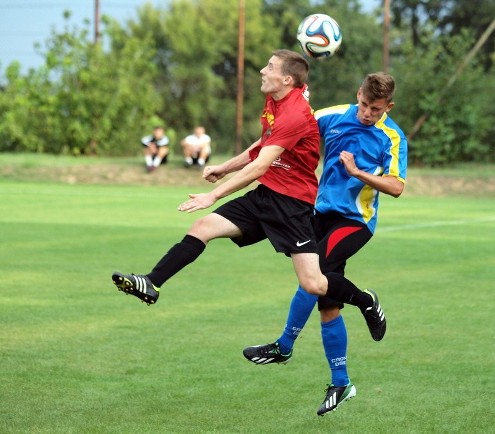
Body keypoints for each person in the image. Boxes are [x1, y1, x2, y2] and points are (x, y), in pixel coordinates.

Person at [110, 50, 386, 413]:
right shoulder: (273, 103)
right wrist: (224, 167)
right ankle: (152, 283)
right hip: (264, 198)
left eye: (270, 67)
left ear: (287, 79)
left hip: (292, 207)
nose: (262, 70)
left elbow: (260, 165)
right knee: (203, 227)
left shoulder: (296, 115)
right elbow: (260, 147)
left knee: (315, 285)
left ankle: (365, 301)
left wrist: (214, 193)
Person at [242, 72, 408, 416]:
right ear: (357, 93)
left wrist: (358, 173)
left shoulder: (391, 136)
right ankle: (341, 381)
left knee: (313, 276)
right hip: (317, 213)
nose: (367, 113)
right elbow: (292, 132)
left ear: (388, 107)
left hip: (355, 221)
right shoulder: (329, 116)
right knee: (326, 300)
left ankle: (284, 345)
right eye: (363, 104)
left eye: (376, 109)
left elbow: (395, 187)